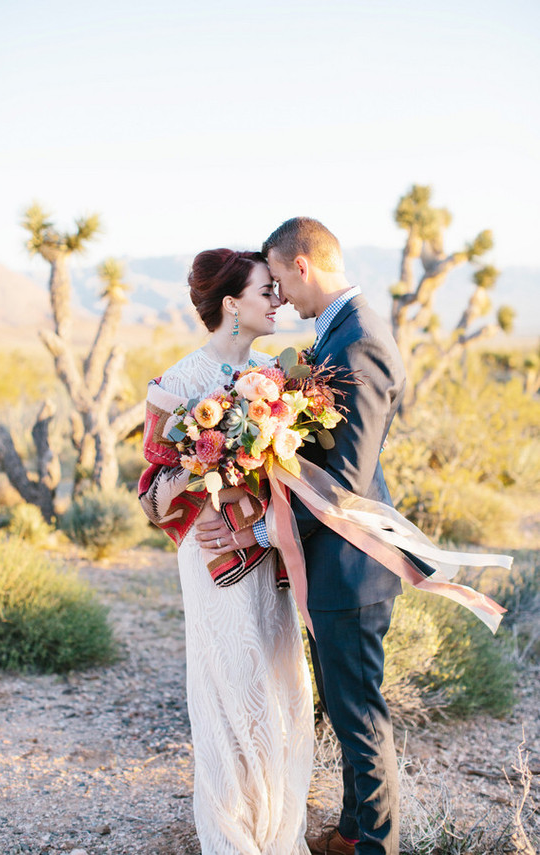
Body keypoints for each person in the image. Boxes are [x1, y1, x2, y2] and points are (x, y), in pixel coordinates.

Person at [138, 248, 314, 855]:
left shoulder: (278, 380)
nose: (278, 299)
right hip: (213, 564)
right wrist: (198, 456)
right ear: (232, 304)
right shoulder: (178, 384)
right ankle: (233, 838)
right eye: (267, 290)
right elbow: (153, 502)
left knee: (282, 688)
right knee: (228, 692)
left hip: (268, 554)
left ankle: (280, 832)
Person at [262, 218, 405, 855]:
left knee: (360, 717)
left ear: (303, 263)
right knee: (345, 714)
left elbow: (343, 477)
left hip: (351, 560)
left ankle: (378, 847)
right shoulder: (339, 333)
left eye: (280, 280)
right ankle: (351, 834)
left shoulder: (359, 340)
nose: (281, 297)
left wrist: (270, 507)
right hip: (337, 561)